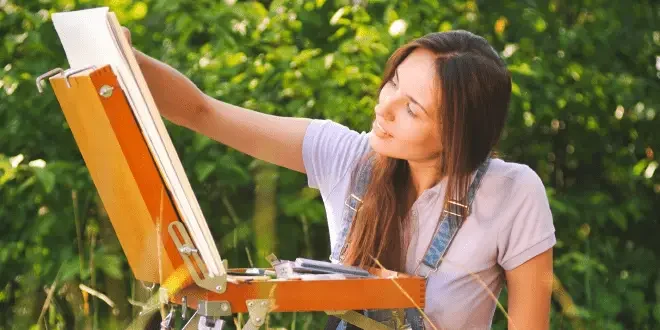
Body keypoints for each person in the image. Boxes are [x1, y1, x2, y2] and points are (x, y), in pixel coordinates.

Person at [122, 27, 556, 330]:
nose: (384, 108)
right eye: (393, 84)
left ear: (458, 134)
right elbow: (203, 111)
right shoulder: (347, 157)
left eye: (412, 109)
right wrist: (125, 59)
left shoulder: (513, 192)